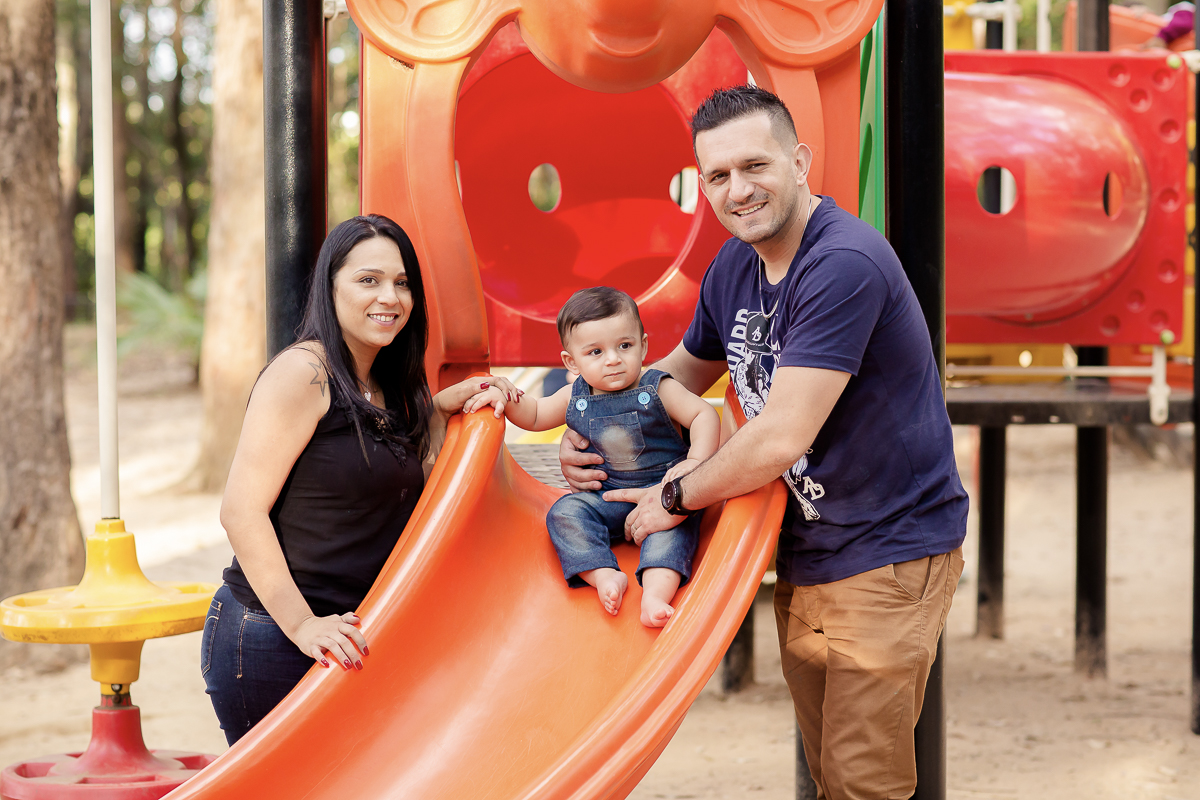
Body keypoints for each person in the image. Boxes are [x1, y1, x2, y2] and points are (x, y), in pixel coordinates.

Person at [560, 86, 968, 799]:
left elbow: (780, 437)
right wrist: (590, 426)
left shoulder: (842, 265)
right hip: (809, 545)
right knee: (832, 773)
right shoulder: (733, 267)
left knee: (864, 782)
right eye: (717, 176)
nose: (738, 190)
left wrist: (674, 495)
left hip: (888, 546)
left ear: (800, 160)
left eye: (756, 165)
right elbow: (670, 380)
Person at [202, 214, 519, 745]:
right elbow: (240, 511)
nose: (389, 297)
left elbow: (382, 464)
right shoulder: (304, 373)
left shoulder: (384, 382)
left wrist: (439, 410)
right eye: (367, 280)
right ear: (330, 287)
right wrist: (303, 625)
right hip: (270, 634)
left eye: (401, 283)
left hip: (348, 634)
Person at [464, 287, 720, 627]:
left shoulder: (657, 388)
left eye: (624, 346)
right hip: (607, 499)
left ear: (643, 345)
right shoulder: (576, 395)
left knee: (671, 534)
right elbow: (536, 415)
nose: (613, 359)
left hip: (664, 498)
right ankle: (603, 575)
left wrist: (694, 463)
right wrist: (505, 394)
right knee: (565, 512)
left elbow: (704, 415)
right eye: (595, 351)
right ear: (572, 361)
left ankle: (655, 595)